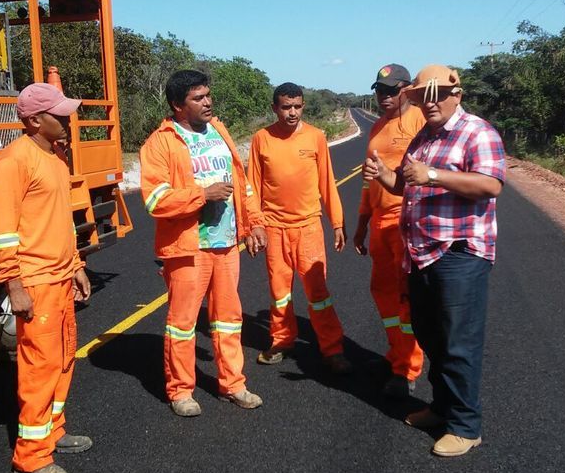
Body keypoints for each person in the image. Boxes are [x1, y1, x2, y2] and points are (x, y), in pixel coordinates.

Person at [364, 64, 506, 457]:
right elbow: (404, 184)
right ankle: (442, 407)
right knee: (430, 335)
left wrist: (434, 176)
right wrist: (383, 173)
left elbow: (491, 184)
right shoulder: (424, 137)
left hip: (460, 254)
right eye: (423, 97)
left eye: (438, 95)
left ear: (456, 95)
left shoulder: (477, 132)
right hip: (421, 255)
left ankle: (465, 426)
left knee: (459, 342)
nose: (430, 103)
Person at [140, 69, 267, 416]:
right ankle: (181, 391)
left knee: (229, 318)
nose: (208, 102)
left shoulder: (219, 131)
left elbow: (242, 183)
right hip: (188, 248)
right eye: (198, 98)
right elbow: (155, 200)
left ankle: (233, 384)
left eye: (208, 95)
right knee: (183, 323)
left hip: (226, 244)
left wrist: (254, 222)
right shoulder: (160, 143)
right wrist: (202, 195)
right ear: (177, 105)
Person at [0, 82, 92, 473]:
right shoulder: (15, 160)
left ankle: (53, 430)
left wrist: (77, 265)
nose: (67, 119)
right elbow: (2, 229)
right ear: (34, 120)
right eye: (59, 114)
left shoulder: (56, 157)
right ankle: (31, 457)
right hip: (36, 281)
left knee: (64, 358)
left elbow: (61, 219)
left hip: (61, 276)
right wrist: (14, 284)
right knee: (39, 367)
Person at [247, 82, 351, 374]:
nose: (292, 112)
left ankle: (332, 348)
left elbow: (327, 182)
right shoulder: (261, 139)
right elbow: (252, 187)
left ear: (303, 106)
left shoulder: (316, 137)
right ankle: (281, 341)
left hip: (308, 228)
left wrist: (337, 222)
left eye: (297, 106)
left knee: (318, 292)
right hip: (274, 227)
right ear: (275, 108)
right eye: (286, 107)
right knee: (279, 291)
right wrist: (253, 226)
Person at [354, 64, 425, 396]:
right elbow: (369, 181)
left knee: (405, 295)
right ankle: (396, 353)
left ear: (407, 90)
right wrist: (361, 224)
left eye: (391, 91)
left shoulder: (420, 121)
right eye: (380, 91)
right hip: (380, 220)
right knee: (382, 291)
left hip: (407, 219)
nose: (384, 97)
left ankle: (407, 368)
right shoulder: (377, 127)